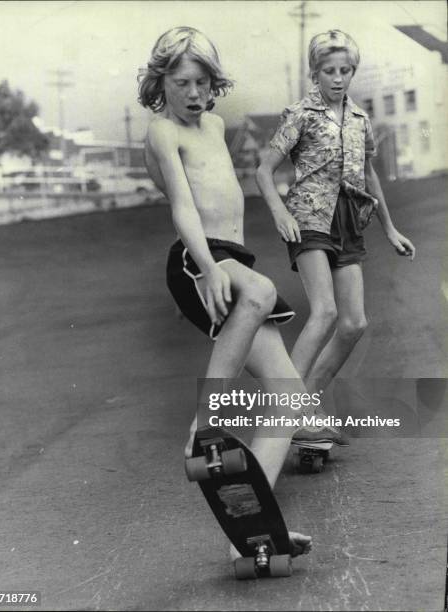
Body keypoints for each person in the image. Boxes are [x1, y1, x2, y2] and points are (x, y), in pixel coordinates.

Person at [138, 26, 317, 559]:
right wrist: (211, 266)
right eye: (182, 82)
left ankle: (252, 521)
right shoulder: (161, 132)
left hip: (228, 259)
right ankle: (205, 423)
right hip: (198, 257)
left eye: (203, 82)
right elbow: (182, 206)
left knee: (290, 397)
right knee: (260, 289)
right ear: (160, 82)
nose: (194, 93)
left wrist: (226, 263)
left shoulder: (215, 123)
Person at [256, 30, 415, 415]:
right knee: (325, 311)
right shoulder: (300, 115)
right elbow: (263, 170)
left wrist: (389, 229)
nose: (338, 78)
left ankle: (304, 403)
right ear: (316, 73)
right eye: (329, 70)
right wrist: (279, 213)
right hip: (308, 217)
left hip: (348, 221)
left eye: (345, 70)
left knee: (354, 323)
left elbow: (369, 175)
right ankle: (284, 411)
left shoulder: (360, 119)